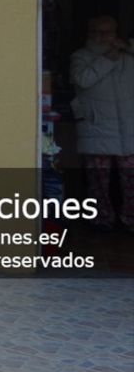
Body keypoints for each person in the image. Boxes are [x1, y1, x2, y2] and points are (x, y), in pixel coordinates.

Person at [70, 15, 134, 231]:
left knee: (130, 180)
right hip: (96, 127)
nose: (103, 37)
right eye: (98, 31)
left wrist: (127, 49)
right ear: (90, 32)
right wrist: (108, 58)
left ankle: (130, 219)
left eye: (108, 32)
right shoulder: (80, 56)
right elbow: (82, 80)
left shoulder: (128, 57)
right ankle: (101, 220)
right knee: (98, 181)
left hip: (128, 129)